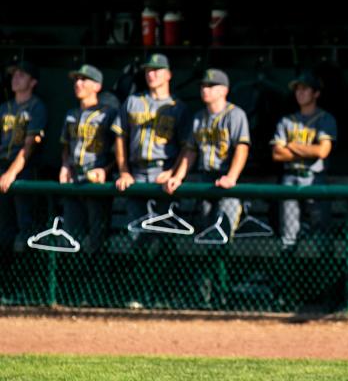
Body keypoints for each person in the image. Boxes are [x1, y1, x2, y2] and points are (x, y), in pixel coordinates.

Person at [162, 69, 250, 238]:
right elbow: (191, 150)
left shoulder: (235, 114)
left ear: (224, 90)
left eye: (211, 86)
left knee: (223, 233)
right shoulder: (198, 117)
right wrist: (178, 176)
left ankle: (223, 264)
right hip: (205, 179)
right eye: (203, 85)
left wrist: (231, 177)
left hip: (227, 180)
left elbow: (242, 148)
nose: (205, 89)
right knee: (207, 233)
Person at [112, 53, 192, 238]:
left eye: (157, 70)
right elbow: (119, 137)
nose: (151, 74)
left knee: (166, 235)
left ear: (168, 75)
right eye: (148, 70)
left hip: (163, 173)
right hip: (136, 173)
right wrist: (124, 171)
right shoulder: (133, 101)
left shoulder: (177, 106)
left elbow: (187, 146)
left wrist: (173, 171)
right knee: (137, 235)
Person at [271, 70, 337, 249]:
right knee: (289, 232)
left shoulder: (325, 118)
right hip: (290, 177)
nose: (300, 93)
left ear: (316, 93)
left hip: (315, 177)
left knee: (321, 230)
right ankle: (288, 272)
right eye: (298, 89)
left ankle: (323, 274)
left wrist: (291, 145)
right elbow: (277, 153)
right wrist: (308, 150)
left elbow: (323, 151)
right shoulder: (286, 120)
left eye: (305, 89)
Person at [59, 65, 118, 253]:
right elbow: (65, 145)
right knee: (71, 236)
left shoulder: (108, 113)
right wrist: (65, 165)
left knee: (97, 237)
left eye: (84, 79)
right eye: (76, 79)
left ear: (97, 86)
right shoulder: (71, 113)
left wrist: (105, 170)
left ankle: (96, 277)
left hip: (97, 178)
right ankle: (73, 278)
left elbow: (118, 150)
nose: (78, 83)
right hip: (75, 177)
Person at [0, 60, 47, 251]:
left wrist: (11, 173)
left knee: (25, 226)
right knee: (3, 226)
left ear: (33, 82)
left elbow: (29, 147)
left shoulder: (37, 107)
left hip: (24, 170)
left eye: (21, 75)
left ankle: (27, 272)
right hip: (2, 167)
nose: (16, 78)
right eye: (14, 74)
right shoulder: (4, 108)